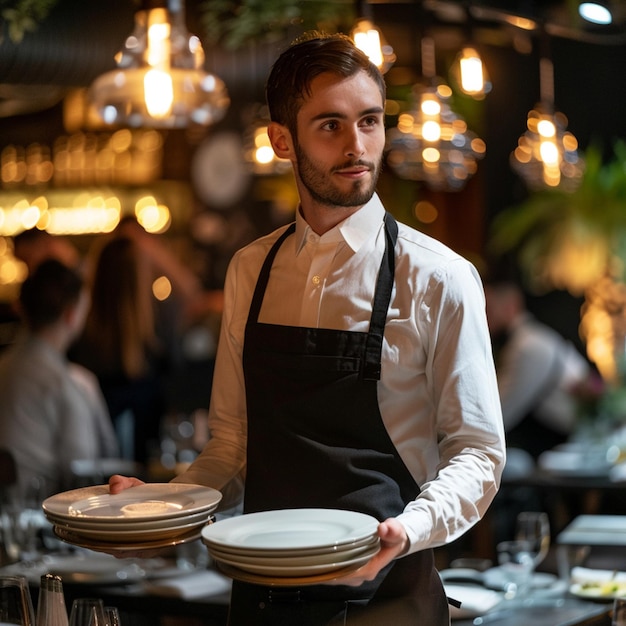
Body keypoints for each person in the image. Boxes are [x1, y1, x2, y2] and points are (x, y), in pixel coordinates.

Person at [111, 32, 505, 625]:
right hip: (262, 603)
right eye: (330, 126)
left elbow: (478, 453)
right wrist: (166, 504)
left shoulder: (440, 278)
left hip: (389, 600)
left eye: (369, 121)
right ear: (280, 141)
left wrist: (409, 528)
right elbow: (233, 445)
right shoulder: (251, 269)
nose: (357, 146)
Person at [0, 259, 119, 500]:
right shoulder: (67, 383)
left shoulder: (5, 367)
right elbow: (82, 468)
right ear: (72, 315)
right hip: (41, 517)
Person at [70, 235, 169, 465]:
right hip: (146, 485)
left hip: (92, 482)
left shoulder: (77, 350)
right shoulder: (157, 351)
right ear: (141, 282)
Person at [484, 277, 592, 460]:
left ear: (511, 304)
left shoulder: (527, 346)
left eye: (488, 308)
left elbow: (499, 415)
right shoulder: (532, 338)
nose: (482, 315)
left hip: (573, 452)